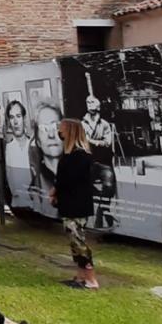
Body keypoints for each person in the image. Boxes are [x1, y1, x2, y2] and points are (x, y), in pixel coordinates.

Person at [54, 119, 99, 289]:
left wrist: (57, 190)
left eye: (62, 130)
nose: (60, 132)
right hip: (69, 203)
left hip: (76, 204)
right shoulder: (70, 154)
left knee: (78, 241)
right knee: (74, 241)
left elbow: (70, 180)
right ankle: (81, 276)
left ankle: (91, 278)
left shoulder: (79, 156)